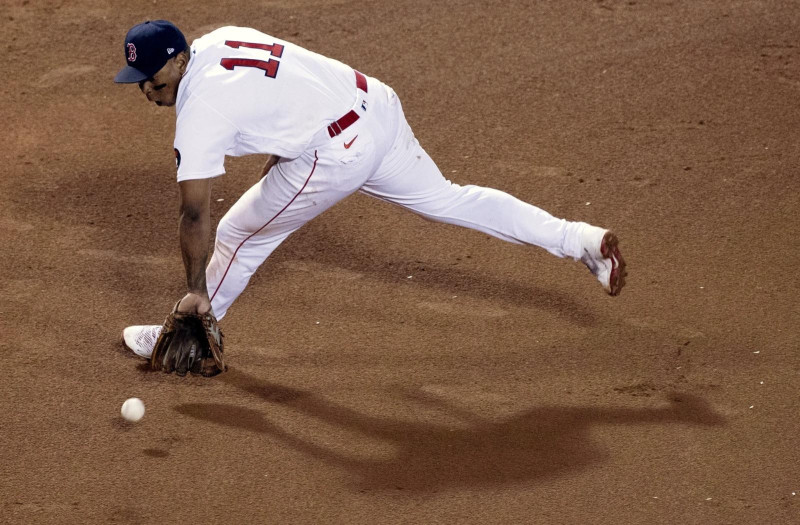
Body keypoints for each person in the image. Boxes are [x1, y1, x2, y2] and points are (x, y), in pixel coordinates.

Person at [115, 20, 627, 361]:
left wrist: (196, 288)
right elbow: (284, 93)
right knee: (449, 198)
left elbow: (193, 215)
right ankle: (579, 239)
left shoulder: (200, 112)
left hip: (337, 152)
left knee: (238, 233)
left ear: (180, 60)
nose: (147, 91)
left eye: (154, 80)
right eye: (138, 82)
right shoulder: (222, 39)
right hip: (374, 105)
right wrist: (283, 158)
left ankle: (191, 324)